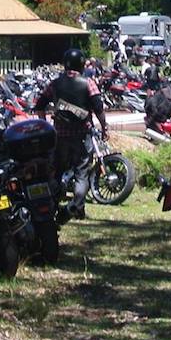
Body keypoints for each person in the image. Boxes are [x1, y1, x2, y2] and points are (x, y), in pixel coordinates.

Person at [34, 48, 108, 220]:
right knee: (82, 174)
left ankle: (52, 207)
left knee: (57, 172)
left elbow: (39, 105)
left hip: (60, 136)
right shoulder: (88, 83)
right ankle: (75, 207)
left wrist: (45, 124)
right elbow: (98, 108)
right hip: (82, 135)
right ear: (82, 64)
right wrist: (105, 128)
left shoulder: (55, 84)